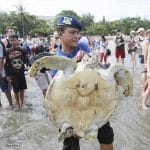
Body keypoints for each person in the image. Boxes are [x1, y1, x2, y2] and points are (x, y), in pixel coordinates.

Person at [51, 16, 114, 150]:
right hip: (71, 110)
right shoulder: (57, 60)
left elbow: (98, 69)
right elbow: (58, 96)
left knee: (107, 136)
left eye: (78, 33)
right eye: (72, 32)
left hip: (95, 102)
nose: (77, 36)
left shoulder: (82, 46)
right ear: (60, 34)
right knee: (71, 145)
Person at [5, 34, 27, 111]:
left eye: (14, 40)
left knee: (22, 89)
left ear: (18, 40)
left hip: (21, 73)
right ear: (10, 41)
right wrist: (8, 75)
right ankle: (17, 104)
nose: (13, 42)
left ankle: (22, 103)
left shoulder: (22, 50)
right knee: (15, 90)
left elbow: (25, 61)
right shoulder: (7, 51)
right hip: (13, 75)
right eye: (11, 40)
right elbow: (6, 64)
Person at [0, 37, 13, 109]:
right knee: (6, 89)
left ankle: (11, 105)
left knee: (6, 89)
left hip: (2, 72)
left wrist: (0, 71)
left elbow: (1, 59)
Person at [141, 29, 150, 110]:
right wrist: (146, 65)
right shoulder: (147, 42)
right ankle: (143, 103)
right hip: (148, 65)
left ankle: (143, 92)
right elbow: (146, 55)